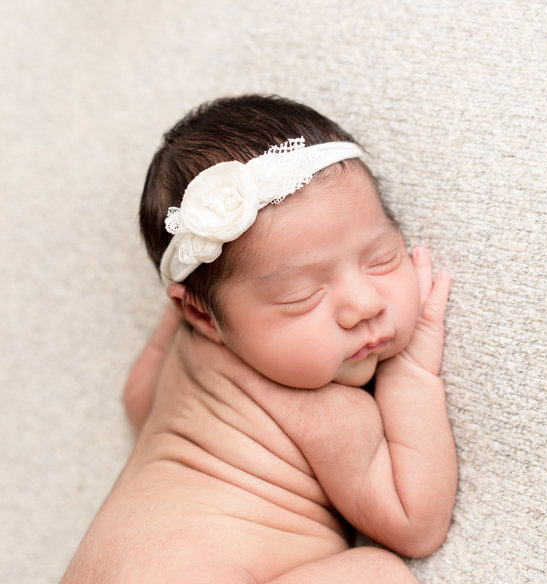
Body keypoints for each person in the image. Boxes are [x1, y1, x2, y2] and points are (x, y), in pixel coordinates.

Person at [60, 95, 457, 583]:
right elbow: (415, 524)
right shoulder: (327, 412)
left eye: (381, 258)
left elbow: (135, 399)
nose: (364, 305)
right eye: (301, 297)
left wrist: (184, 320)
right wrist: (412, 374)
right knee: (378, 571)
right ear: (202, 315)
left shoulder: (181, 365)